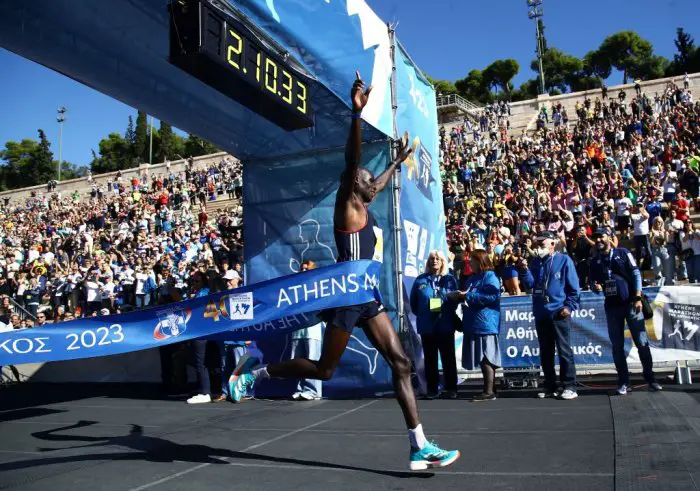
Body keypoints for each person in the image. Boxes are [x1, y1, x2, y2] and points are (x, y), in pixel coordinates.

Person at [228, 72, 460, 471]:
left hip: (366, 297)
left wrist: (396, 163)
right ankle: (257, 372)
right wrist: (357, 116)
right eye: (368, 180)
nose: (374, 183)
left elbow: (376, 182)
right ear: (355, 185)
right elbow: (354, 163)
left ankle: (418, 445)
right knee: (325, 369)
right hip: (346, 297)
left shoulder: (366, 204)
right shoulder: (349, 207)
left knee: (401, 364)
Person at [589, 227, 663, 395]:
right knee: (617, 346)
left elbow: (636, 274)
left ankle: (650, 378)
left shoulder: (623, 253)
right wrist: (595, 287)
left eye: (601, 236)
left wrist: (637, 297)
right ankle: (623, 381)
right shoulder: (594, 261)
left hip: (631, 304)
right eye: (596, 238)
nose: (599, 240)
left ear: (609, 237)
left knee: (642, 343)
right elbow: (593, 286)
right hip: (612, 308)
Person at [522, 231, 580, 400]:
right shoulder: (536, 262)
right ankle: (549, 385)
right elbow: (530, 284)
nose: (539, 247)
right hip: (541, 313)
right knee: (546, 352)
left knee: (564, 350)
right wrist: (525, 270)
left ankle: (569, 385)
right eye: (537, 244)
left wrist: (569, 307)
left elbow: (574, 288)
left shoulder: (564, 260)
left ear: (552, 244)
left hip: (558, 312)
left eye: (542, 244)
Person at [449, 249, 501, 402]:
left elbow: (492, 296)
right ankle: (490, 389)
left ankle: (489, 392)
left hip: (485, 322)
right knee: (482, 357)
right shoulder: (472, 279)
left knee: (486, 357)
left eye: (472, 260)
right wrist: (459, 297)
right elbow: (469, 296)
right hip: (474, 322)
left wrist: (467, 296)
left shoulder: (490, 276)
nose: (469, 262)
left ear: (480, 261)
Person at [409, 250, 458, 399]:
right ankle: (432, 389)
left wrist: (443, 308)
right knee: (430, 359)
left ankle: (451, 388)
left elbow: (454, 301)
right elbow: (414, 304)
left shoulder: (449, 279)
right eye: (431, 258)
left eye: (437, 258)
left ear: (443, 261)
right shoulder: (420, 280)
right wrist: (426, 314)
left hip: (445, 324)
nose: (434, 261)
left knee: (448, 358)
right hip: (427, 326)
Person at [290, 260, 323, 400]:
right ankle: (300, 388)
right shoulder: (294, 288)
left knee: (312, 360)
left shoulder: (317, 287)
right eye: (301, 269)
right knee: (297, 361)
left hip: (312, 331)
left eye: (306, 269)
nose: (303, 272)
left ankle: (313, 390)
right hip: (297, 331)